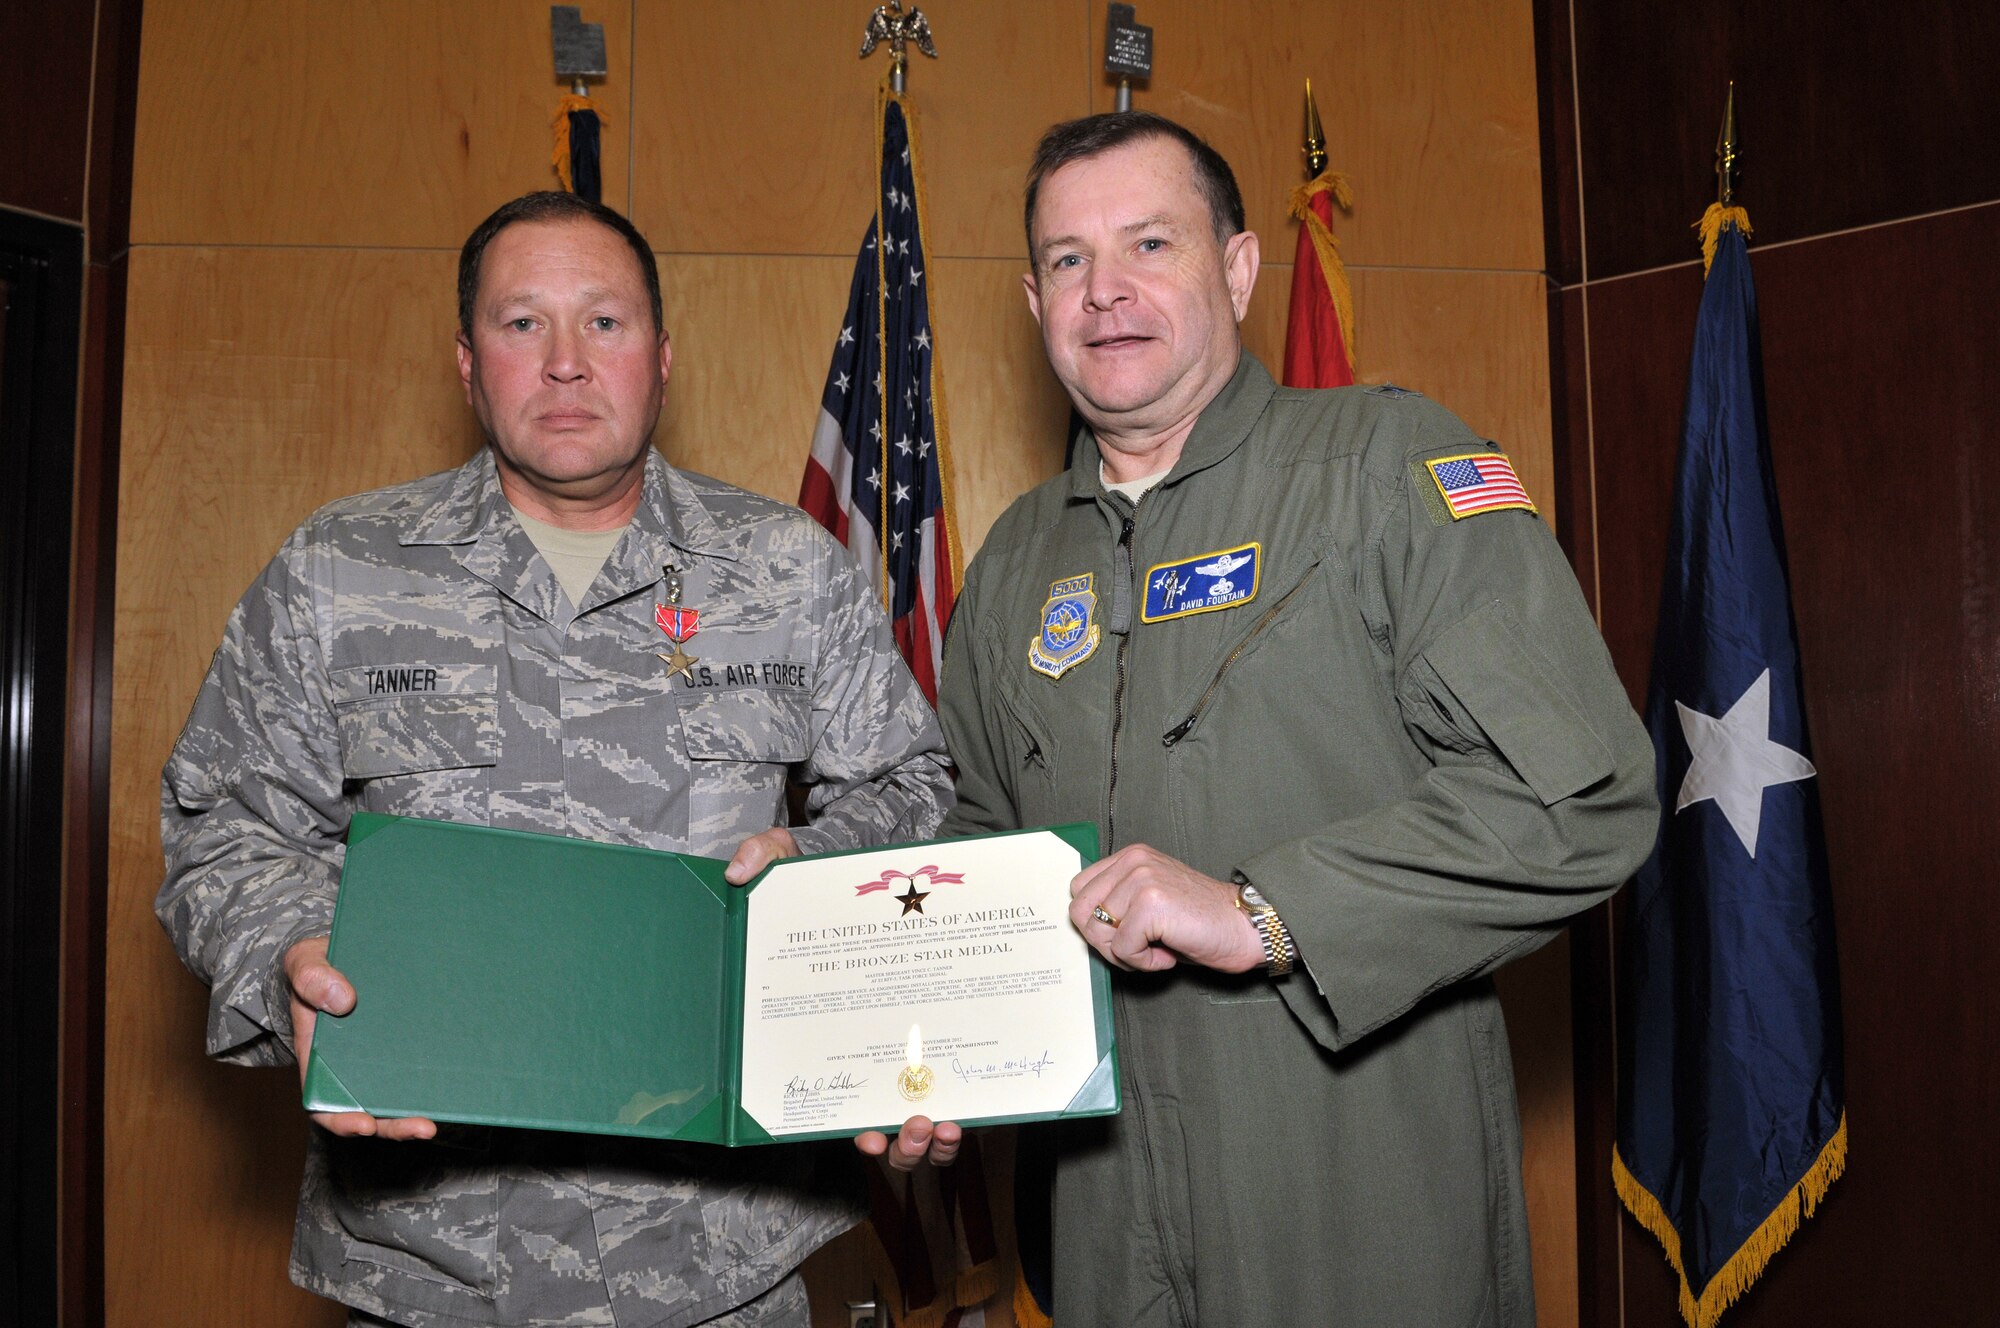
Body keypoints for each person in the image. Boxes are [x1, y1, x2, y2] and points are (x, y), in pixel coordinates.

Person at [156, 191, 955, 1328]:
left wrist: (810, 866)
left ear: (663, 359)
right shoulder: (341, 572)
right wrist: (290, 943)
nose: (567, 363)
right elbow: (222, 818)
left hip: (720, 1253)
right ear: (466, 363)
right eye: (522, 324)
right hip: (427, 1255)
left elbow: (909, 788)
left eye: (606, 323)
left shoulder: (788, 567)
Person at [932, 112, 1659, 1325]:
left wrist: (1264, 911)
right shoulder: (1012, 560)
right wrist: (850, 954)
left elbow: (1578, 796)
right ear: (1031, 296)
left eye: (1148, 243)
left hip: (1349, 1171)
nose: (1103, 292)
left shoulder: (1383, 470)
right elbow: (976, 844)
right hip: (1095, 1200)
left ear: (1236, 267)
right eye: (1067, 259)